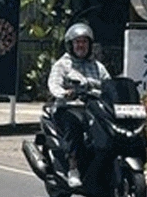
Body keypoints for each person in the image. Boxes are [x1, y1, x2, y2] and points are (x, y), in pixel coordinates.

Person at [47, 23, 110, 188]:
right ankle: (73, 169)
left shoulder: (98, 67)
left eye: (84, 42)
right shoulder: (63, 65)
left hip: (92, 109)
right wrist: (64, 93)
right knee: (74, 124)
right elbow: (54, 85)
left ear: (90, 45)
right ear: (71, 45)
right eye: (77, 42)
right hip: (68, 108)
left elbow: (108, 84)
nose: (81, 45)